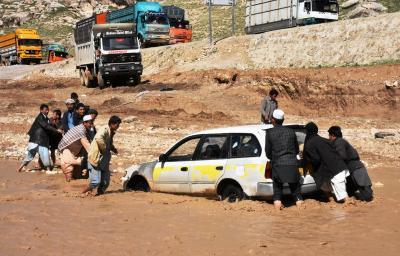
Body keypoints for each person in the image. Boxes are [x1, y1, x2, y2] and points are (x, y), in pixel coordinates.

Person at [303, 122, 351, 203]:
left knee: (335, 187)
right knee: (329, 185)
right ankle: (334, 200)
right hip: (338, 166)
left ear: (307, 132)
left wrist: (307, 162)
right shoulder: (325, 140)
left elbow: (316, 159)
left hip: (331, 169)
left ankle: (345, 201)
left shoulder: (309, 143)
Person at [265, 109, 303, 210]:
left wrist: (273, 158)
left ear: (273, 120)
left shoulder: (269, 133)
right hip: (292, 165)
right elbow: (296, 149)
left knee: (277, 193)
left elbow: (267, 152)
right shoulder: (291, 131)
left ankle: (277, 214)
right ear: (283, 120)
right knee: (296, 192)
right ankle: (301, 209)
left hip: (278, 165)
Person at [328, 126, 373, 201]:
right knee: (351, 191)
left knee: (367, 195)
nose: (329, 138)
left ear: (332, 135)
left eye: (329, 135)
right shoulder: (341, 141)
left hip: (355, 167)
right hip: (350, 168)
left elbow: (342, 156)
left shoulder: (339, 142)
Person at [82, 116, 121, 195]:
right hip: (95, 157)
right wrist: (104, 149)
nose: (118, 127)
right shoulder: (104, 129)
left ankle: (99, 194)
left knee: (105, 182)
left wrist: (113, 149)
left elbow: (109, 142)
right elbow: (99, 139)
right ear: (112, 124)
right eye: (117, 125)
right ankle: (82, 192)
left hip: (104, 159)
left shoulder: (111, 131)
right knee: (96, 182)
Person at [17, 104, 62, 172]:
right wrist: (56, 130)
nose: (47, 111)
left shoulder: (46, 119)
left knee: (43, 154)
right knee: (32, 155)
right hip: (38, 140)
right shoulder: (40, 117)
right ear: (41, 110)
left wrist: (56, 129)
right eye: (45, 110)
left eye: (48, 110)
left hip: (40, 140)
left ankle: (47, 169)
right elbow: (46, 126)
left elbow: (49, 126)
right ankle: (22, 167)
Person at [58, 115, 93, 182]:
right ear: (84, 123)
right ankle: (69, 182)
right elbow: (87, 146)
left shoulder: (82, 128)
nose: (91, 125)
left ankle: (72, 179)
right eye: (89, 123)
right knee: (68, 165)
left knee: (76, 164)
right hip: (66, 147)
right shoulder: (81, 131)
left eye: (91, 123)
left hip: (72, 148)